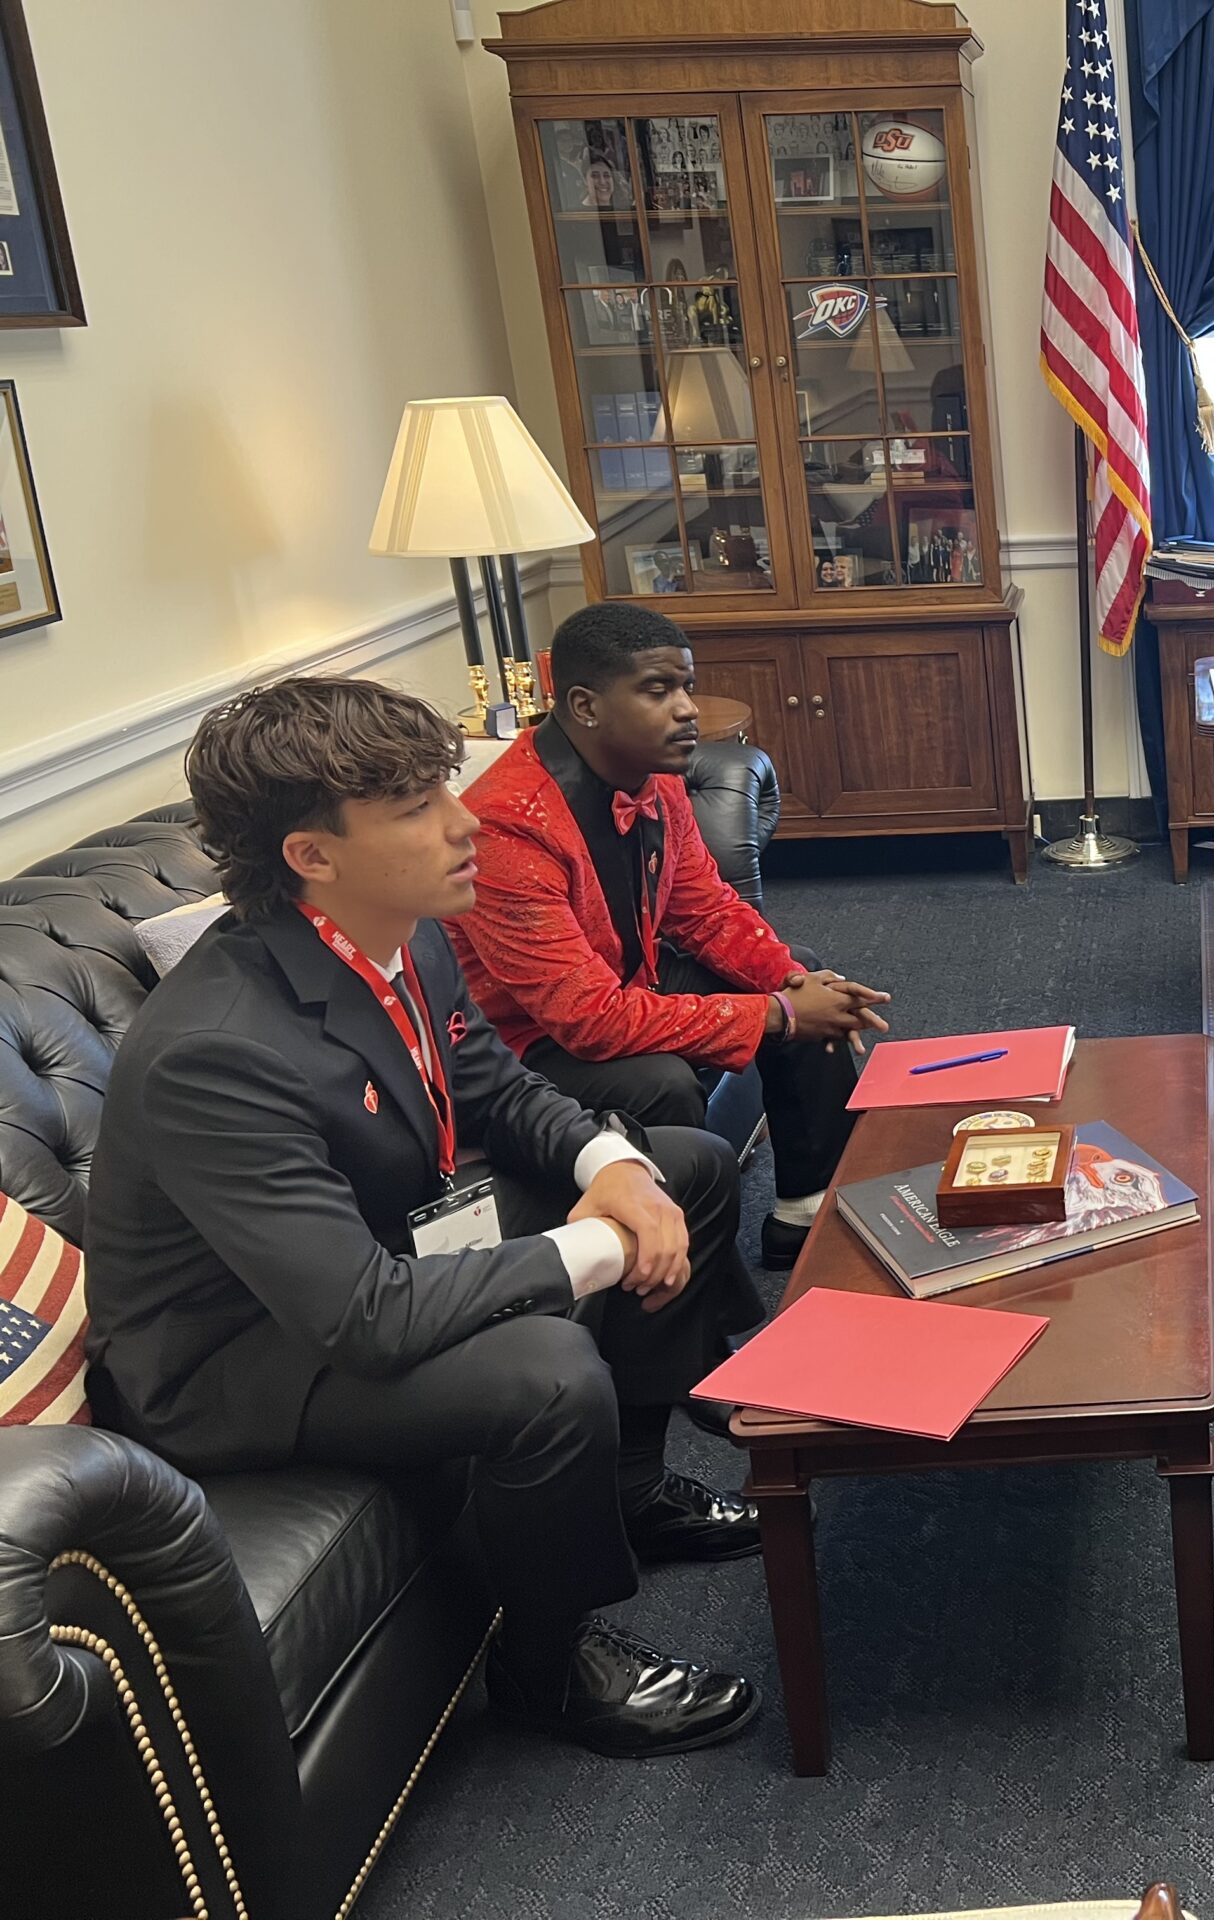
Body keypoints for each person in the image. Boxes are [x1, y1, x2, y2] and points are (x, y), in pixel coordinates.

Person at [84, 677, 765, 1758]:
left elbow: (489, 1082)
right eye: (416, 808)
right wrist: (601, 1242)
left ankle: (633, 1492)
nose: (465, 824)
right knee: (546, 1370)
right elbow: (361, 1317)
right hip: (243, 1359)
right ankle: (546, 1669)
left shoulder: (404, 928)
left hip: (375, 1247)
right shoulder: (214, 1050)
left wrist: (613, 1167)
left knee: (679, 1165)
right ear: (311, 854)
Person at [450, 601, 888, 1267]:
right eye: (658, 690)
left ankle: (806, 1216)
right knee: (662, 1081)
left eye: (686, 686)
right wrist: (779, 1014)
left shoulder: (654, 775)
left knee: (800, 968)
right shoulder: (507, 827)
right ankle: (688, 1269)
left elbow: (704, 910)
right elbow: (585, 1019)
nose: (687, 709)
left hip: (627, 981)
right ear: (585, 706)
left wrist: (790, 984)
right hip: (526, 1042)